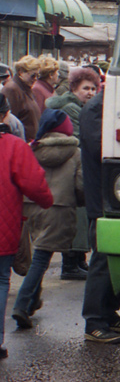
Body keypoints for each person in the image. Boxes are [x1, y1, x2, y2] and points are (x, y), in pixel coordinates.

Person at [10, 110, 83, 330]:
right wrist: (80, 202)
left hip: (32, 206)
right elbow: (80, 185)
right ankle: (21, 306)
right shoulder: (75, 152)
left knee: (39, 254)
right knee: (42, 257)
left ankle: (32, 301)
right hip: (58, 207)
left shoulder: (33, 147)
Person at [80, 90, 120, 343]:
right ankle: (93, 321)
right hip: (102, 198)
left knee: (112, 256)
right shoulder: (96, 109)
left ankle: (108, 313)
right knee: (102, 258)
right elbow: (98, 149)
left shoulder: (106, 105)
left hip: (111, 196)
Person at [0, 94, 54, 360]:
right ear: (4, 115)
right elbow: (34, 184)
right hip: (4, 226)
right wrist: (47, 201)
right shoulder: (14, 146)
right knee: (1, 281)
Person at [46, 67, 100, 279]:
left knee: (79, 215)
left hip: (74, 166)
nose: (90, 92)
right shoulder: (72, 109)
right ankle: (70, 264)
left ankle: (78, 261)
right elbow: (81, 138)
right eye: (85, 88)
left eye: (93, 88)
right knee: (75, 215)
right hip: (70, 168)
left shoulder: (78, 107)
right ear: (74, 88)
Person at [1, 55, 42, 141]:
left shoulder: (27, 89)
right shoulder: (12, 90)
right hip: (20, 143)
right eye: (32, 75)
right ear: (20, 72)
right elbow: (9, 122)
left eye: (38, 75)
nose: (35, 79)